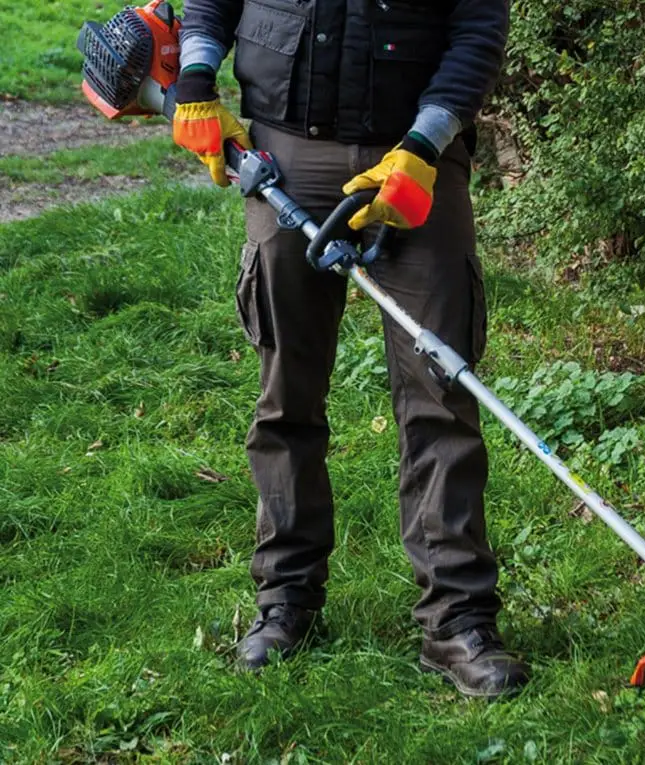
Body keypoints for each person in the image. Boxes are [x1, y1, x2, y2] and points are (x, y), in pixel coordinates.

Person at [173, 0, 527, 699]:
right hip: (285, 150)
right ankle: (285, 599)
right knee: (287, 391)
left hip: (416, 160)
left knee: (441, 395)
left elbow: (478, 29)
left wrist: (425, 146)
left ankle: (456, 620)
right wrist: (194, 80)